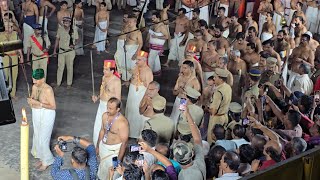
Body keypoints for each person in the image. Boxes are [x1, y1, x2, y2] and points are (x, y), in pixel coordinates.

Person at [27, 69, 56, 171]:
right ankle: (41, 157)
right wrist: (30, 101)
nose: (34, 82)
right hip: (36, 113)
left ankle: (47, 160)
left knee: (44, 139)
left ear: (43, 79)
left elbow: (53, 106)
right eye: (33, 79)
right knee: (37, 136)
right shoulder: (34, 86)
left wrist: (39, 103)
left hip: (47, 114)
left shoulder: (48, 89)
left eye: (36, 80)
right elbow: (33, 98)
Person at [96, 97, 129, 179]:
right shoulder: (104, 116)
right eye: (107, 107)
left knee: (112, 172)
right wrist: (98, 146)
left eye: (110, 108)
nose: (108, 110)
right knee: (102, 168)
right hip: (104, 146)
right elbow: (102, 131)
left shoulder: (122, 123)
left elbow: (124, 143)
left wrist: (118, 160)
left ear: (118, 109)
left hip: (114, 150)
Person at [92, 60, 121, 147]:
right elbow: (102, 90)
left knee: (107, 126)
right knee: (98, 124)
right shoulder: (104, 77)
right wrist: (97, 97)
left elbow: (118, 98)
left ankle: (105, 144)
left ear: (112, 71)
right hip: (101, 104)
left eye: (106, 69)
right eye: (104, 69)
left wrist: (114, 111)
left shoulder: (116, 81)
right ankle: (97, 143)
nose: (104, 71)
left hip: (110, 107)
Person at [173, 105, 206, 179]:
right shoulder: (199, 162)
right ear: (192, 153)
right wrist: (188, 115)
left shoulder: (183, 176)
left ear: (175, 159)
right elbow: (197, 139)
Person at [125, 51, 153, 138]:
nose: (136, 61)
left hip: (140, 94)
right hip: (132, 92)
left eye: (139, 60)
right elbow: (132, 77)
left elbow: (149, 87)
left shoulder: (148, 71)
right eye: (137, 59)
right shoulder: (135, 67)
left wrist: (146, 99)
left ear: (145, 60)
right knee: (130, 110)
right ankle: (128, 132)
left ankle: (136, 134)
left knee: (137, 113)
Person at [170, 60, 200, 128]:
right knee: (174, 119)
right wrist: (179, 91)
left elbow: (196, 97)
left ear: (191, 69)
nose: (183, 70)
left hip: (186, 102)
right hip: (178, 99)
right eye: (182, 67)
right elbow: (174, 92)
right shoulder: (180, 77)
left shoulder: (194, 81)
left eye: (185, 68)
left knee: (182, 120)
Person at [208, 68, 232, 144]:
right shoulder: (228, 87)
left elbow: (213, 111)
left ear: (221, 79)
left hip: (217, 118)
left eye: (216, 77)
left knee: (212, 140)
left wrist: (207, 108)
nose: (214, 78)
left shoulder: (218, 92)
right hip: (225, 116)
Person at [53, 16, 79, 89]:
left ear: (70, 23)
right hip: (61, 51)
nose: (66, 23)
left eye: (67, 22)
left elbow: (77, 39)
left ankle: (69, 84)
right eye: (65, 22)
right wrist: (55, 50)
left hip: (70, 51)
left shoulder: (74, 30)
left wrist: (74, 45)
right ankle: (58, 83)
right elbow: (57, 40)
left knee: (70, 67)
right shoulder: (60, 29)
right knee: (60, 67)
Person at [0, 21, 23, 99]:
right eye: (6, 27)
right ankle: (5, 95)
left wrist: (21, 57)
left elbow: (18, 47)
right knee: (5, 76)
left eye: (9, 27)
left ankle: (13, 94)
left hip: (14, 57)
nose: (8, 29)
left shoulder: (15, 34)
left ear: (12, 27)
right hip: (5, 57)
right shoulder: (1, 35)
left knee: (14, 75)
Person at [122, 15, 143, 84]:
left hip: (133, 50)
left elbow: (140, 44)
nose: (129, 23)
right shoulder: (128, 29)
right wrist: (124, 46)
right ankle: (126, 80)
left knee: (132, 66)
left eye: (130, 22)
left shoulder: (138, 32)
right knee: (125, 65)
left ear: (135, 22)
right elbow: (124, 36)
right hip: (126, 49)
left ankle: (132, 80)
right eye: (128, 22)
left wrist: (136, 53)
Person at [148, 11, 169, 76]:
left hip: (157, 46)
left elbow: (166, 36)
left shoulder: (162, 26)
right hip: (152, 45)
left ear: (158, 18)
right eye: (152, 18)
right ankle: (157, 71)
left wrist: (156, 36)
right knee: (155, 59)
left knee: (150, 59)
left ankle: (149, 73)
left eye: (154, 18)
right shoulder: (154, 24)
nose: (152, 19)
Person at [115, 12, 128, 82]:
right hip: (120, 42)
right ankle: (119, 71)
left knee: (119, 57)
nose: (124, 18)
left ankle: (121, 72)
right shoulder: (124, 24)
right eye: (124, 17)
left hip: (123, 42)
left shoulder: (129, 26)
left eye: (126, 17)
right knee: (118, 57)